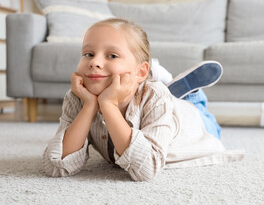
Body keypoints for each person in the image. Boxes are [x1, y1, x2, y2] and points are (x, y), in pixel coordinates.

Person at [42, 18, 244, 182]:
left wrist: (108, 105)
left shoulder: (153, 95)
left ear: (140, 72)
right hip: (158, 102)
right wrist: (89, 105)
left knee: (197, 112)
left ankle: (193, 95)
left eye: (112, 55)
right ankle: (169, 84)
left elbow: (146, 170)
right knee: (165, 99)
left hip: (195, 123)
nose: (94, 62)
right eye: (88, 53)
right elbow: (55, 166)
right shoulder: (78, 96)